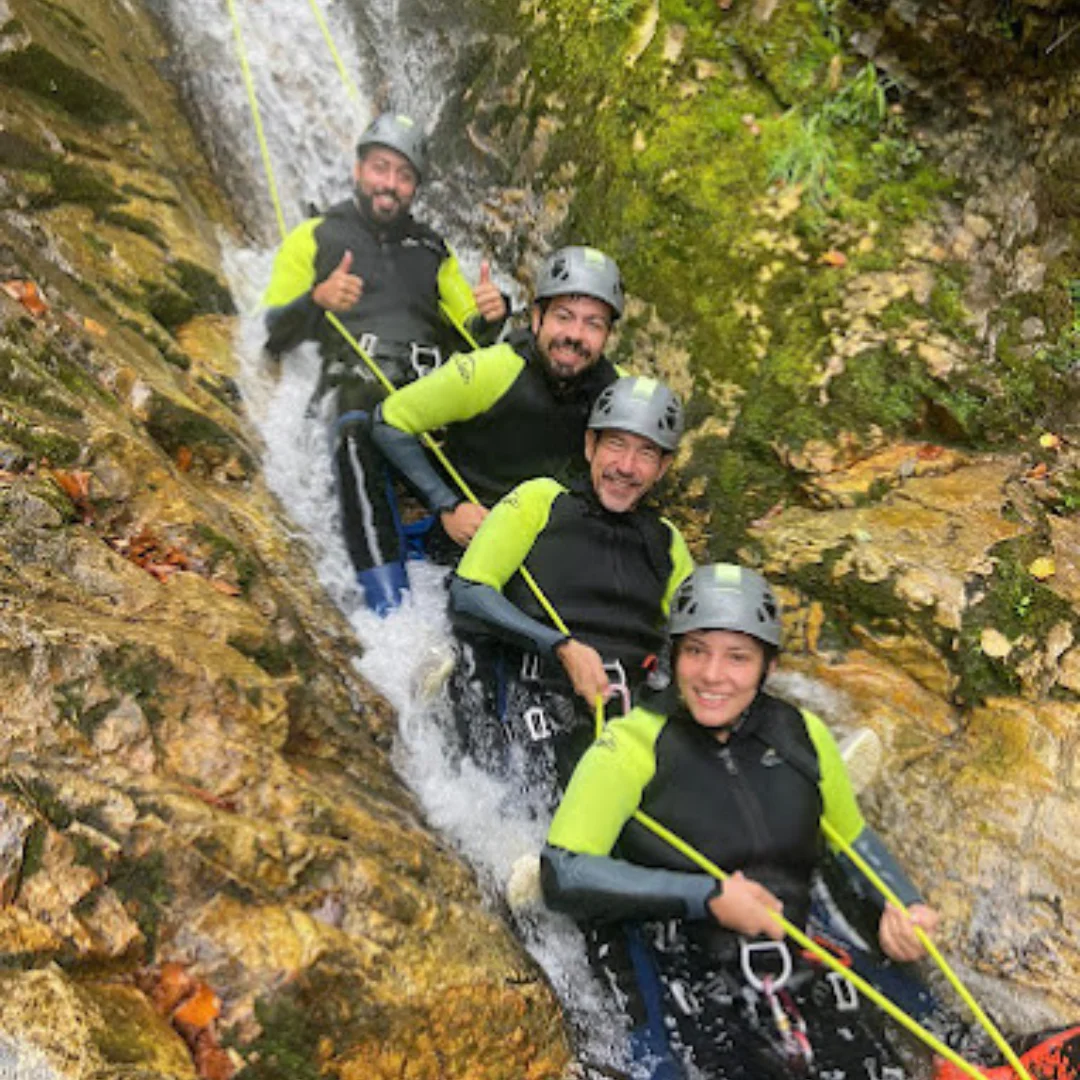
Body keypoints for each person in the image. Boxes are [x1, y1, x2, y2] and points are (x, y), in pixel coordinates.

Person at [541, 562, 942, 1079]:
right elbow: (562, 872)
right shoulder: (629, 746)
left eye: (737, 657)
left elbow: (851, 838)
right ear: (675, 655)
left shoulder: (803, 736)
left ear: (767, 668)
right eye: (696, 651)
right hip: (686, 967)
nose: (712, 675)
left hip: (792, 953)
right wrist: (707, 896)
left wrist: (902, 902)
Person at [262, 112, 508, 615]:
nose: (390, 185)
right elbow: (272, 333)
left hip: (429, 388)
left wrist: (491, 315)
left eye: (403, 175)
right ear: (358, 169)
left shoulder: (431, 250)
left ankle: (464, 583)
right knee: (357, 426)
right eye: (380, 168)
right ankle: (390, 611)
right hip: (356, 386)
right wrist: (319, 299)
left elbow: (471, 337)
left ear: (415, 187)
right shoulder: (315, 236)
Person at [446, 376, 693, 801]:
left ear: (663, 468)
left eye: (646, 453)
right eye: (616, 444)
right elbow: (468, 593)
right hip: (534, 691)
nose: (627, 467)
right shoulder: (540, 501)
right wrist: (561, 646)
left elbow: (698, 642)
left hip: (626, 717)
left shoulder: (669, 543)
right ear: (590, 445)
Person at [370, 245, 623, 554]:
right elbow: (389, 420)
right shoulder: (492, 371)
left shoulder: (615, 393)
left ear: (608, 336)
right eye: (563, 317)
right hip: (462, 535)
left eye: (593, 324)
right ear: (536, 319)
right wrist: (448, 505)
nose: (575, 335)